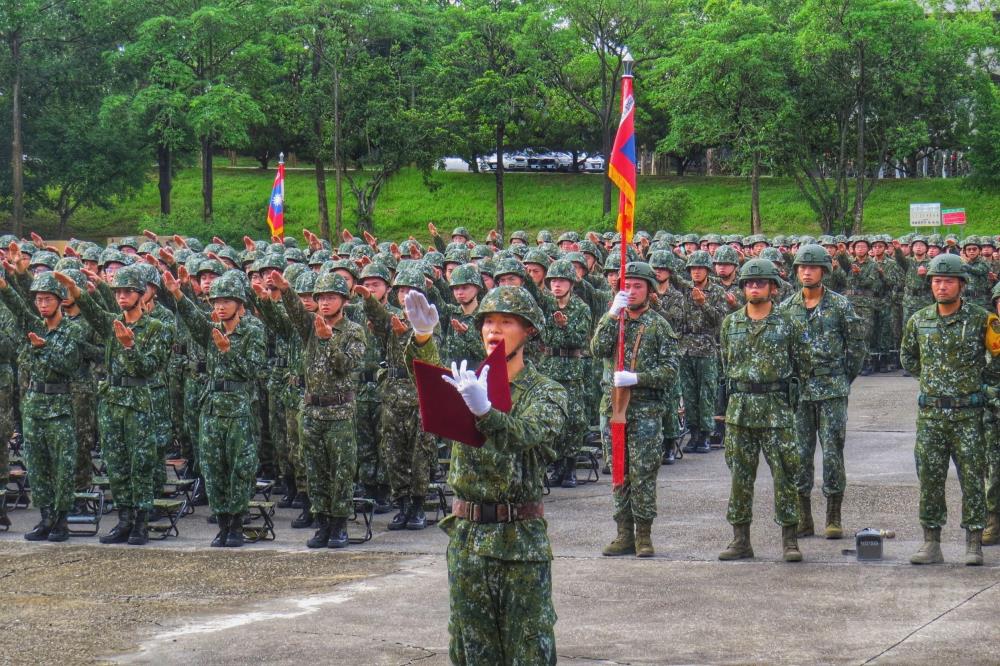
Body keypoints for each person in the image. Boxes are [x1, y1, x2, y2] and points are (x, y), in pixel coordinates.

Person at [403, 286, 566, 665]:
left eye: (507, 322)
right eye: (488, 321)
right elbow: (430, 387)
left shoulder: (546, 392)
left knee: (529, 647)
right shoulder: (469, 381)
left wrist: (485, 412)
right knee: (470, 646)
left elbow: (527, 435)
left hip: (518, 542)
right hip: (467, 536)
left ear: (528, 331)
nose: (494, 329)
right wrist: (423, 339)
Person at [57, 266, 171, 546]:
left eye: (127, 291)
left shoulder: (158, 328)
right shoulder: (112, 323)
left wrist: (130, 347)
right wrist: (75, 289)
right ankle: (124, 520)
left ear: (140, 294)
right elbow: (92, 311)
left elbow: (149, 368)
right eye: (118, 291)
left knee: (139, 464)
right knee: (117, 465)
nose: (121, 296)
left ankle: (141, 523)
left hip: (139, 402)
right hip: (112, 401)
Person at [900, 254, 1000, 566]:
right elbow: (909, 358)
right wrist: (935, 382)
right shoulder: (919, 320)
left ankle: (974, 542)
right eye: (936, 281)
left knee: (972, 478)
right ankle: (931, 542)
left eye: (948, 281)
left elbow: (997, 358)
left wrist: (979, 385)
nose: (941, 286)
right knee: (930, 477)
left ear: (961, 284)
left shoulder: (982, 320)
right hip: (931, 415)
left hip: (968, 415)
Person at [260, 270, 366, 548]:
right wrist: (285, 290)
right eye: (321, 298)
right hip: (312, 411)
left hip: (339, 411)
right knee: (315, 470)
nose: (325, 303)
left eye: (331, 297)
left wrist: (328, 340)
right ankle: (322, 523)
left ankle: (340, 523)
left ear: (344, 300)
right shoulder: (310, 326)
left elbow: (347, 365)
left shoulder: (354, 331)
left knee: (341, 470)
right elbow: (295, 312)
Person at [718, 259, 810, 563]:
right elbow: (725, 365)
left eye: (760, 283)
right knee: (740, 478)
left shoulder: (789, 323)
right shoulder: (731, 323)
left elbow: (803, 366)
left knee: (786, 475)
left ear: (773, 288)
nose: (753, 287)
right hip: (740, 410)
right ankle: (740, 539)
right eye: (748, 283)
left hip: (776, 411)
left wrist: (789, 400)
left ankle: (790, 540)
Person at [164, 269, 265, 547]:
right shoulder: (212, 326)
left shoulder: (253, 329)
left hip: (239, 409)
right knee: (213, 467)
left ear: (240, 303)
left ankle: (236, 523)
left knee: (239, 468)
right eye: (216, 301)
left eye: (226, 302)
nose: (219, 307)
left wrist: (227, 351)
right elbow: (193, 319)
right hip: (210, 408)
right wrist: (177, 293)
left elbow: (253, 370)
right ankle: (222, 522)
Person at [779, 245, 866, 540]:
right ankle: (804, 517)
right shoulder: (786, 307)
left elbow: (856, 347)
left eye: (812, 267)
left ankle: (833, 515)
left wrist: (842, 379)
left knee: (832, 453)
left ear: (824, 272)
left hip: (831, 390)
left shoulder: (840, 306)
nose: (806, 272)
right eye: (802, 268)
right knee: (800, 455)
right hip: (800, 392)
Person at [592, 262, 679, 558]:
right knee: (619, 472)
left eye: (638, 286)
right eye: (626, 285)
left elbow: (669, 371)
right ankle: (623, 533)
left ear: (649, 290)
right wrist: (610, 314)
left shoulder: (658, 326)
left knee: (642, 472)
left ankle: (643, 534)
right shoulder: (614, 320)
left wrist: (639, 378)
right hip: (614, 407)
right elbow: (597, 348)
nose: (631, 291)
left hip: (645, 410)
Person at [0, 272, 83, 541]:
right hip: (34, 405)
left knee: (62, 466)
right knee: (36, 466)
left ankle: (61, 521)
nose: (42, 304)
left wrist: (43, 348)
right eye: (38, 299)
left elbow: (67, 364)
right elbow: (18, 308)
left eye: (47, 299)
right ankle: (45, 517)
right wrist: (4, 286)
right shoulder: (35, 324)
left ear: (59, 300)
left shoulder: (71, 329)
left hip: (58, 405)